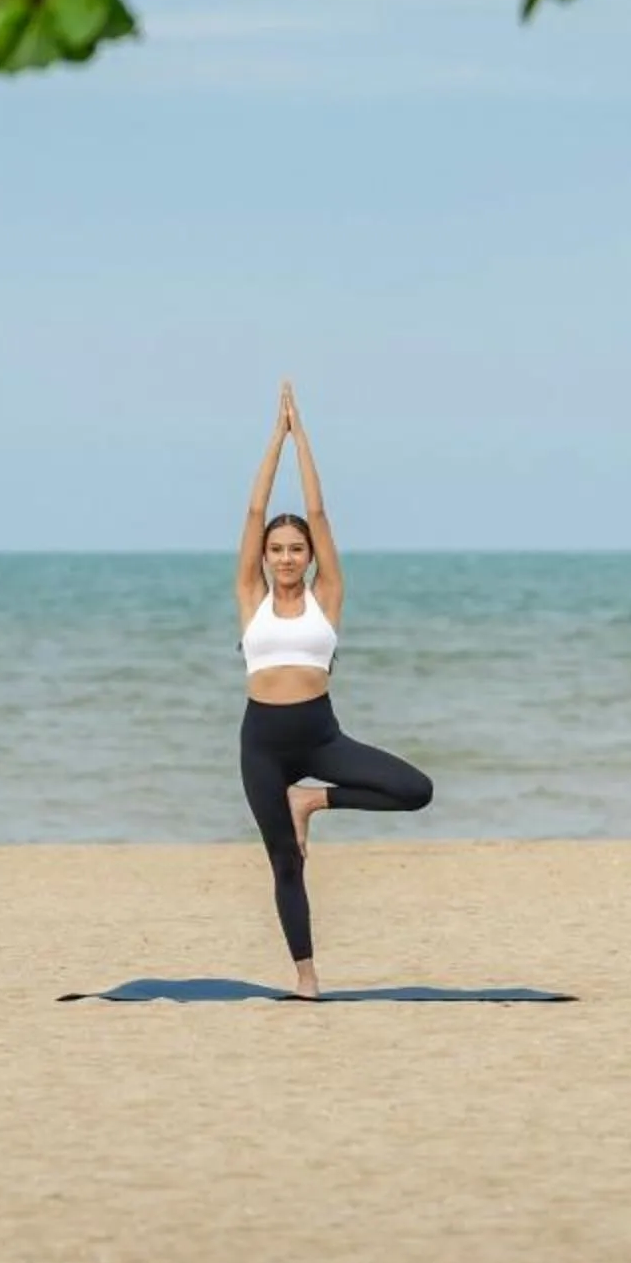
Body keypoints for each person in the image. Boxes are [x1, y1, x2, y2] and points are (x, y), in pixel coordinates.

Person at [234, 381, 433, 997]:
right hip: (263, 744)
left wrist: (304, 439)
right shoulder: (251, 599)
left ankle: (312, 803)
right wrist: (274, 440)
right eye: (278, 550)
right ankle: (305, 975)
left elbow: (318, 514)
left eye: (296, 549)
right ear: (265, 557)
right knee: (285, 864)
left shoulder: (328, 598)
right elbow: (251, 513)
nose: (288, 557)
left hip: (320, 738)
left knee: (415, 790)